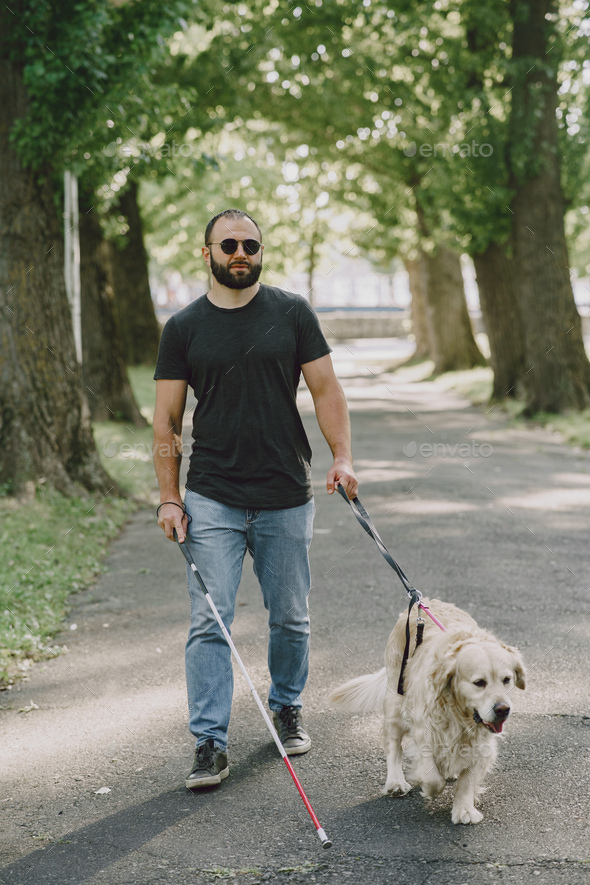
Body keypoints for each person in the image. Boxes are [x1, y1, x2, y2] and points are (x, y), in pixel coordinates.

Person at [153, 208, 358, 789]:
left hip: (285, 493)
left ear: (261, 250)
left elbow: (326, 389)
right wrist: (170, 497)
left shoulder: (292, 313)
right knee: (208, 621)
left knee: (291, 618)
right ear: (207, 253)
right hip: (211, 495)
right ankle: (209, 743)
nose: (240, 252)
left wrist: (341, 456)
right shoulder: (184, 327)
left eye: (250, 244)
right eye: (228, 244)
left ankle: (288, 707)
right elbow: (166, 419)